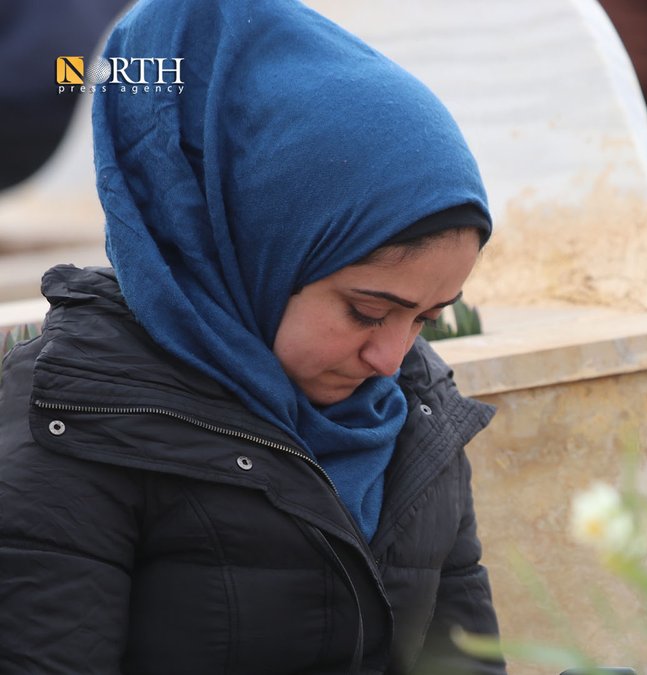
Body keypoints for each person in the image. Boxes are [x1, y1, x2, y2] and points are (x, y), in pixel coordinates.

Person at [0, 0, 504, 673]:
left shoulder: (415, 413)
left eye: (427, 317)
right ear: (248, 246)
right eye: (366, 309)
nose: (391, 357)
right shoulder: (77, 417)